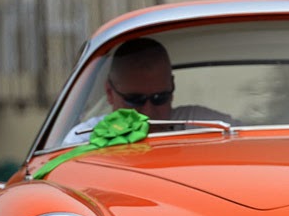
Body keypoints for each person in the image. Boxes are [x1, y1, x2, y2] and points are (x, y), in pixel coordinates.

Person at [63, 37, 230, 145]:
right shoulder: (84, 139)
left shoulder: (205, 126)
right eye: (135, 100)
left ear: (172, 88)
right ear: (109, 93)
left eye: (160, 98)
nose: (148, 111)